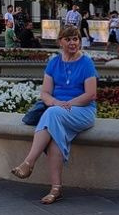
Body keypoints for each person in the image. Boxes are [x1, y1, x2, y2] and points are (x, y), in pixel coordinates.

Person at [10, 25, 97, 204]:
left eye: (76, 39)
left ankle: (28, 162)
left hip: (82, 110)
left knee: (52, 114)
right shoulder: (54, 63)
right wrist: (56, 103)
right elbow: (45, 93)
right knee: (55, 139)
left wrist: (66, 104)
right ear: (60, 42)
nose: (73, 43)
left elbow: (91, 94)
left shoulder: (86, 63)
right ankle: (55, 189)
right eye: (68, 39)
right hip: (59, 110)